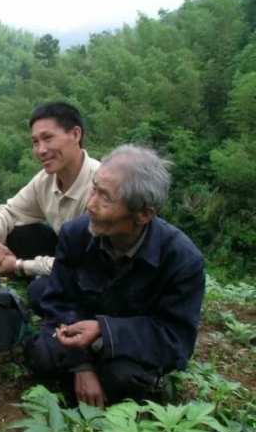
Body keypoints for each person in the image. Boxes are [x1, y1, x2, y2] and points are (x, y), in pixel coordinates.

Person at [26, 145, 205, 407]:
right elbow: (59, 301)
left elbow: (176, 339)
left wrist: (104, 331)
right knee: (43, 356)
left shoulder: (181, 260)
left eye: (105, 198)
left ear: (144, 214)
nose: (90, 205)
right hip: (80, 329)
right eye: (94, 188)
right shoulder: (76, 234)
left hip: (127, 346)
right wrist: (81, 365)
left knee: (123, 378)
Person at [0, 102, 100, 313]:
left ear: (75, 134)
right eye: (35, 142)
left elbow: (82, 263)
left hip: (94, 271)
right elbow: (8, 212)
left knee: (40, 292)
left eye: (48, 138)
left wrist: (18, 267)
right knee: (19, 233)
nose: (41, 150)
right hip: (67, 253)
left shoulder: (99, 186)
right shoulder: (46, 180)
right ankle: (47, 280)